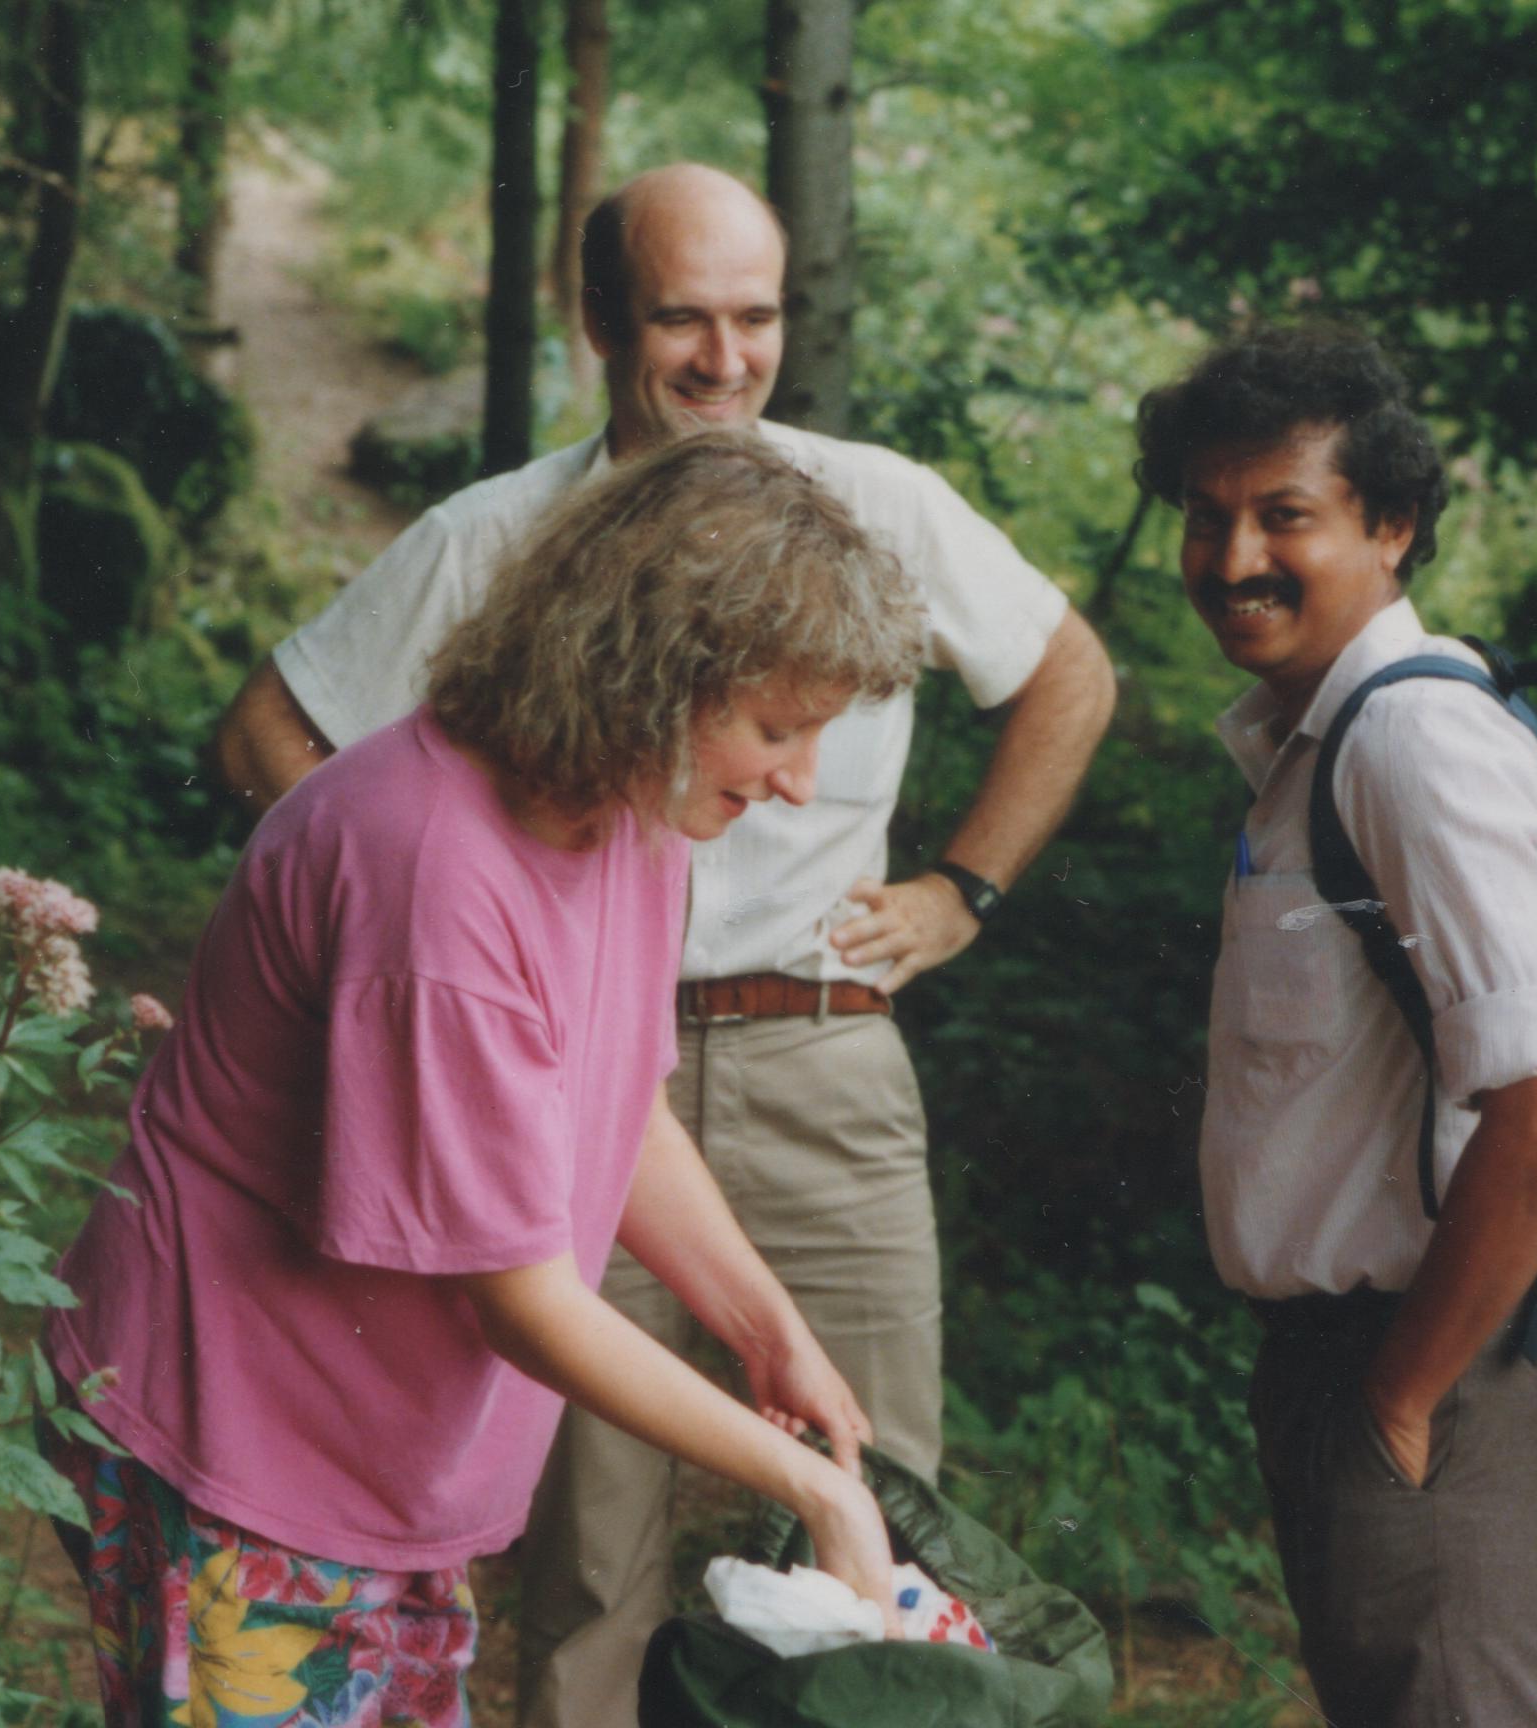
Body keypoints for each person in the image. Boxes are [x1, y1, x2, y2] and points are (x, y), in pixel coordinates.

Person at [210, 164, 1116, 1723]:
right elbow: (268, 743)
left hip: (806, 1037)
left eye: (756, 316)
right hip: (523, 1091)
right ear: (600, 321)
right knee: (588, 1541)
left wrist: (960, 889)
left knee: (876, 1501)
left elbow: (1067, 669)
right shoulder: (501, 587)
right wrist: (388, 916)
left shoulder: (862, 520)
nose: (724, 356)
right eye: (682, 317)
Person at [45, 431, 927, 1728]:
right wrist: (815, 1491)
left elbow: (618, 1110)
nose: (798, 783)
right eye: (775, 730)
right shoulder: (436, 874)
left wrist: (766, 1329)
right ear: (650, 673)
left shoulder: (630, 813)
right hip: (232, 1446)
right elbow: (523, 1302)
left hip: (370, 1466)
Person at [1133, 325, 1537, 1727]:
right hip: (1360, 1362)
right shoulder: (1315, 747)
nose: (1234, 559)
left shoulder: (1413, 741)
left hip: (1440, 1366)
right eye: (1206, 517)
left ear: (1392, 526)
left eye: (1284, 516)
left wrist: (1399, 1401)